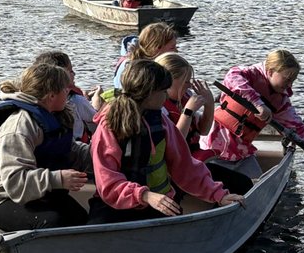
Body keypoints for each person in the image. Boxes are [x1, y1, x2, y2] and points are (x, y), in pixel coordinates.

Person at [88, 59, 243, 224]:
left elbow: (185, 166)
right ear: (148, 93)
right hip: (115, 205)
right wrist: (145, 195)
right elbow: (107, 180)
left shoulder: (161, 121)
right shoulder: (109, 125)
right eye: (163, 91)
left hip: (157, 202)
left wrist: (219, 195)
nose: (166, 95)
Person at [0, 61, 93, 231]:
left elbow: (70, 151)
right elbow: (15, 183)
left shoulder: (55, 116)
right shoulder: (18, 128)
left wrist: (98, 153)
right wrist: (58, 179)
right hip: (8, 201)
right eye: (65, 89)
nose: (68, 92)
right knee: (58, 223)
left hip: (44, 195)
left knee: (83, 219)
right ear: (51, 96)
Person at [201, 49, 304, 185]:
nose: (290, 85)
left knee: (258, 187)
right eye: (287, 79)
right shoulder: (249, 74)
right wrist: (257, 103)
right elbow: (231, 76)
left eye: (293, 81)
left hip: (241, 154)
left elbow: (299, 128)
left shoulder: (281, 101)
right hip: (213, 149)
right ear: (270, 72)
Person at [155, 52, 214, 157]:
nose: (190, 86)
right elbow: (175, 143)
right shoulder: (158, 107)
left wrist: (209, 104)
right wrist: (187, 112)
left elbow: (204, 130)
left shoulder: (185, 97)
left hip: (192, 156)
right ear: (169, 80)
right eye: (185, 82)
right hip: (176, 163)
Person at [33, 50, 98, 143]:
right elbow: (97, 122)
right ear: (61, 75)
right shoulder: (76, 101)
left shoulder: (35, 102)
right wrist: (98, 103)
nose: (74, 74)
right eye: (71, 71)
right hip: (78, 151)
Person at [103, 21, 179, 92]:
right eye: (172, 48)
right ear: (156, 47)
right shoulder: (132, 69)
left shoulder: (149, 63)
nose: (176, 51)